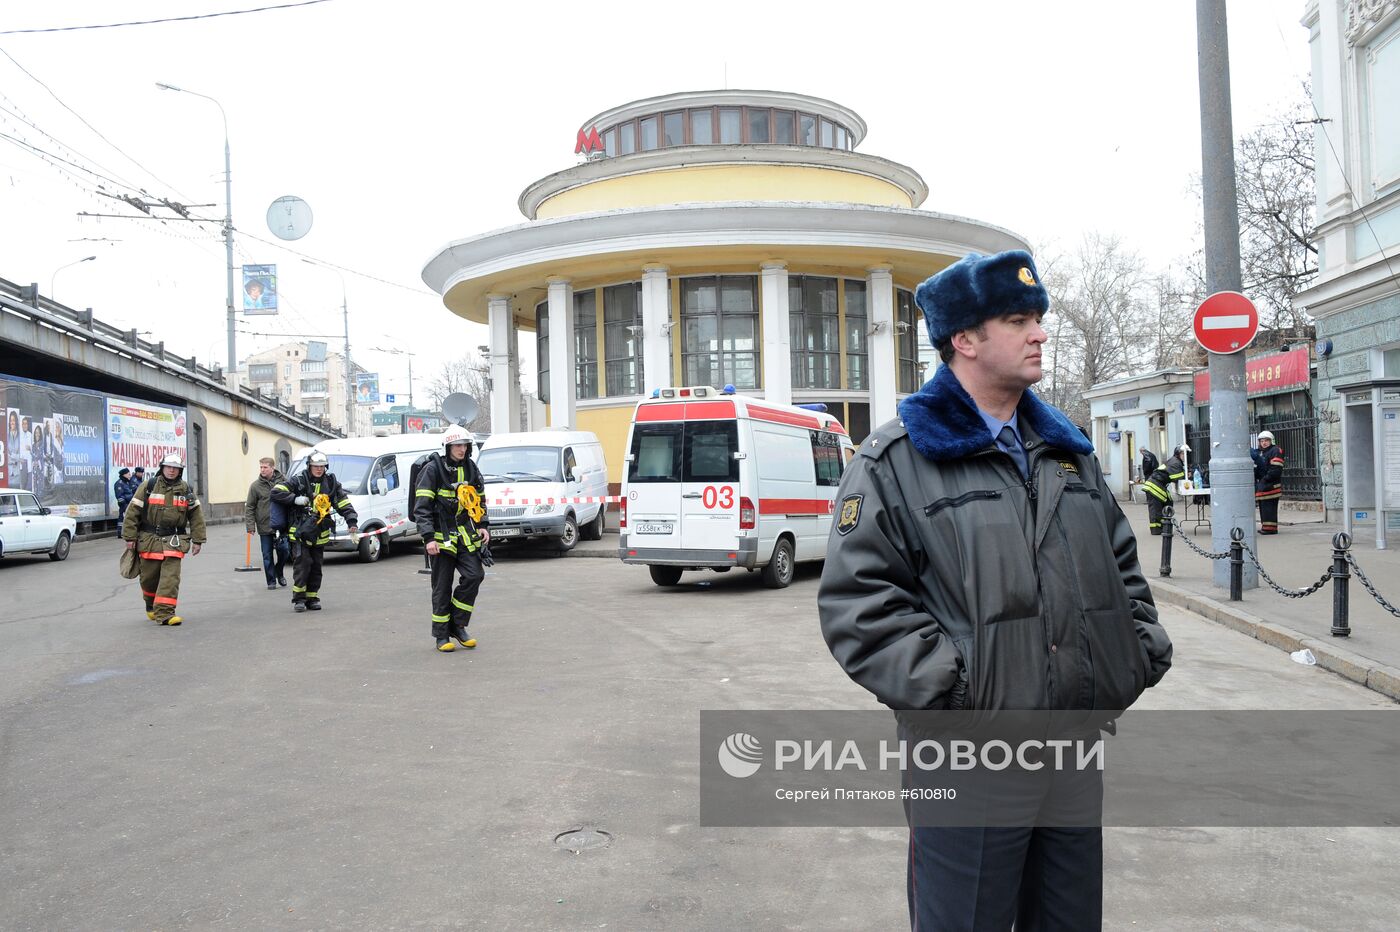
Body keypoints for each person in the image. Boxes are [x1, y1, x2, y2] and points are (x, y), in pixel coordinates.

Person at [818, 250, 1173, 931]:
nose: (1040, 333)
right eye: (1017, 320)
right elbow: (859, 604)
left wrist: (1136, 654)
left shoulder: (1067, 455)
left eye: (1039, 318)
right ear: (964, 339)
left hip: (1071, 748)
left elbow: (1122, 567)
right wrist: (962, 694)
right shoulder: (896, 460)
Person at [413, 425, 491, 653]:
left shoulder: (471, 469)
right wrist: (428, 538)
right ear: (448, 447)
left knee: (475, 575)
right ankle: (441, 635)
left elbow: (480, 501)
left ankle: (458, 625)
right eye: (458, 445)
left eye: (465, 445)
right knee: (442, 587)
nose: (462, 449)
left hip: (466, 536)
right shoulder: (432, 470)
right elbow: (422, 508)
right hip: (440, 539)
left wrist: (483, 525)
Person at [121, 453, 206, 626]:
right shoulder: (148, 486)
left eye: (175, 468)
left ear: (180, 470)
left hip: (174, 540)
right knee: (149, 578)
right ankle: (151, 605)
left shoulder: (186, 489)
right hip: (149, 540)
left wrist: (198, 540)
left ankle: (166, 613)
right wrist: (129, 537)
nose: (172, 471)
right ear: (162, 468)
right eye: (168, 467)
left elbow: (196, 516)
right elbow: (132, 512)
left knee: (170, 578)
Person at [271, 451, 357, 612]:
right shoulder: (299, 480)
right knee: (302, 565)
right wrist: (294, 499)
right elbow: (276, 492)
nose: (319, 469)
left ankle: (312, 597)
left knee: (316, 566)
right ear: (309, 466)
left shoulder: (331, 483)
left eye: (322, 466)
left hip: (319, 532)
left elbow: (343, 502)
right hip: (300, 531)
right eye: (316, 466)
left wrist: (352, 520)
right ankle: (299, 599)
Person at [245, 457, 291, 591]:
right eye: (261, 467)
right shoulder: (255, 486)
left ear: (272, 468)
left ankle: (279, 571)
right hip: (264, 526)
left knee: (285, 551)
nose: (262, 470)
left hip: (281, 525)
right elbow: (250, 507)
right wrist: (250, 526)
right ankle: (271, 581)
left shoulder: (284, 482)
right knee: (267, 555)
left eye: (265, 467)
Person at [1142, 443, 1190, 535]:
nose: (1185, 456)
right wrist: (1186, 476)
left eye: (1186, 454)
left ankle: (1165, 526)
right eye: (1183, 453)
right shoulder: (1175, 462)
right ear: (1178, 454)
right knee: (1156, 509)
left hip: (1159, 485)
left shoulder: (1176, 461)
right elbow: (1176, 477)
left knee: (1168, 503)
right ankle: (1156, 529)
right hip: (1154, 485)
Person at [1252, 429, 1284, 534]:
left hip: (1271, 484)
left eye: (1266, 440)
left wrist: (1266, 478)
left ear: (1271, 441)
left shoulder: (1275, 450)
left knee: (1269, 506)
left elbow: (1276, 468)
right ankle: (1266, 527)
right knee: (1264, 506)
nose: (1264, 443)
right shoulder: (1261, 452)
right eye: (1262, 441)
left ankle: (1271, 529)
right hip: (1263, 484)